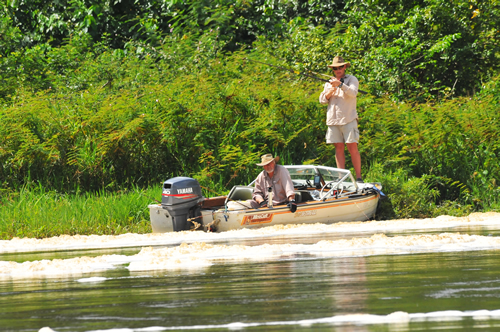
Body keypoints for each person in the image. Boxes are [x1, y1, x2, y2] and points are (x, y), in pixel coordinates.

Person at [319, 56, 363, 183]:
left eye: (340, 67)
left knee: (352, 147)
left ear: (344, 67)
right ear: (332, 69)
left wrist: (341, 85)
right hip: (333, 120)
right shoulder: (328, 83)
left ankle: (359, 177)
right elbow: (322, 100)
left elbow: (353, 93)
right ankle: (341, 178)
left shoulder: (352, 79)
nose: (338, 69)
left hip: (348, 118)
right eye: (335, 68)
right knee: (338, 147)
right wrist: (332, 89)